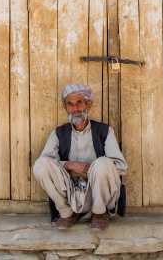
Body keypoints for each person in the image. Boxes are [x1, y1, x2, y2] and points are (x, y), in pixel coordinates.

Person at [33, 84, 128, 231]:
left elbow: (121, 166)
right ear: (65, 108)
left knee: (103, 163)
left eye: (79, 102)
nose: (75, 108)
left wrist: (92, 170)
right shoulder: (58, 133)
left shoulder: (104, 131)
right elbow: (45, 162)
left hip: (99, 193)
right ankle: (67, 212)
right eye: (70, 104)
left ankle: (100, 213)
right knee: (40, 165)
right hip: (70, 193)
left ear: (88, 105)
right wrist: (70, 166)